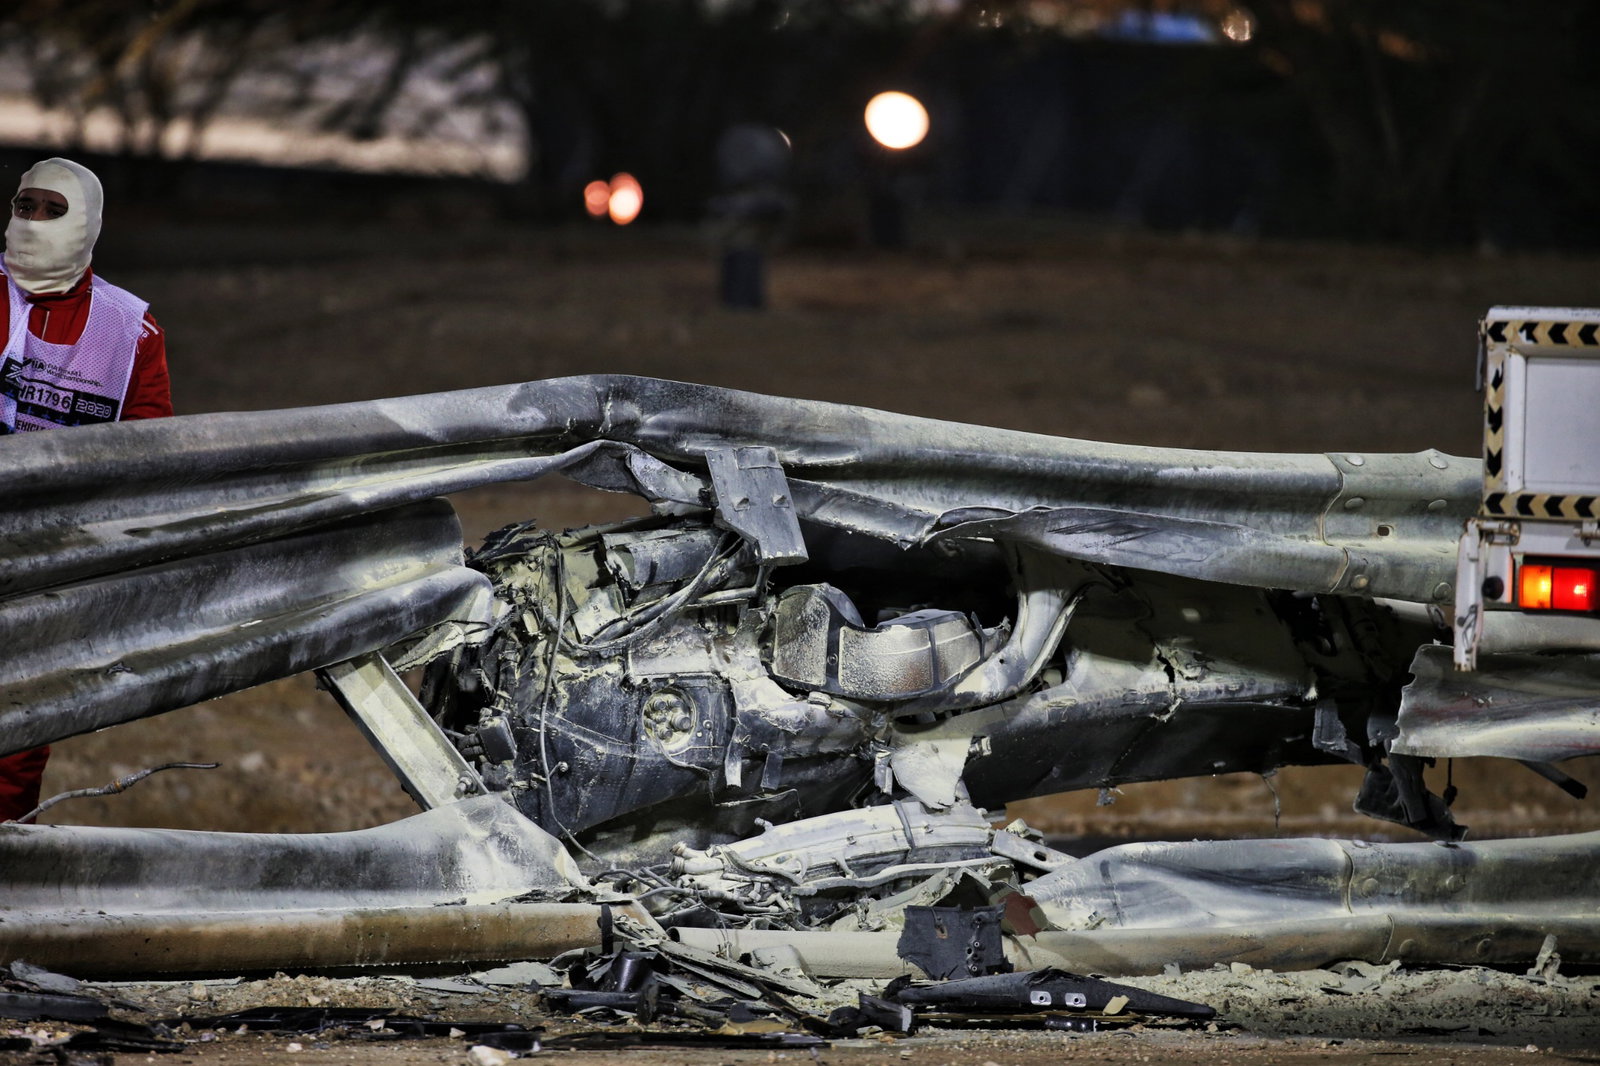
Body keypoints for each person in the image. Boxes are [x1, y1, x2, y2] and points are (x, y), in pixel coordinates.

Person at [0, 157, 173, 821]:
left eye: (54, 210)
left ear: (89, 224)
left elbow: (149, 453)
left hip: (50, 560)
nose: (34, 222)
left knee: (18, 730)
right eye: (25, 206)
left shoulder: (130, 331)